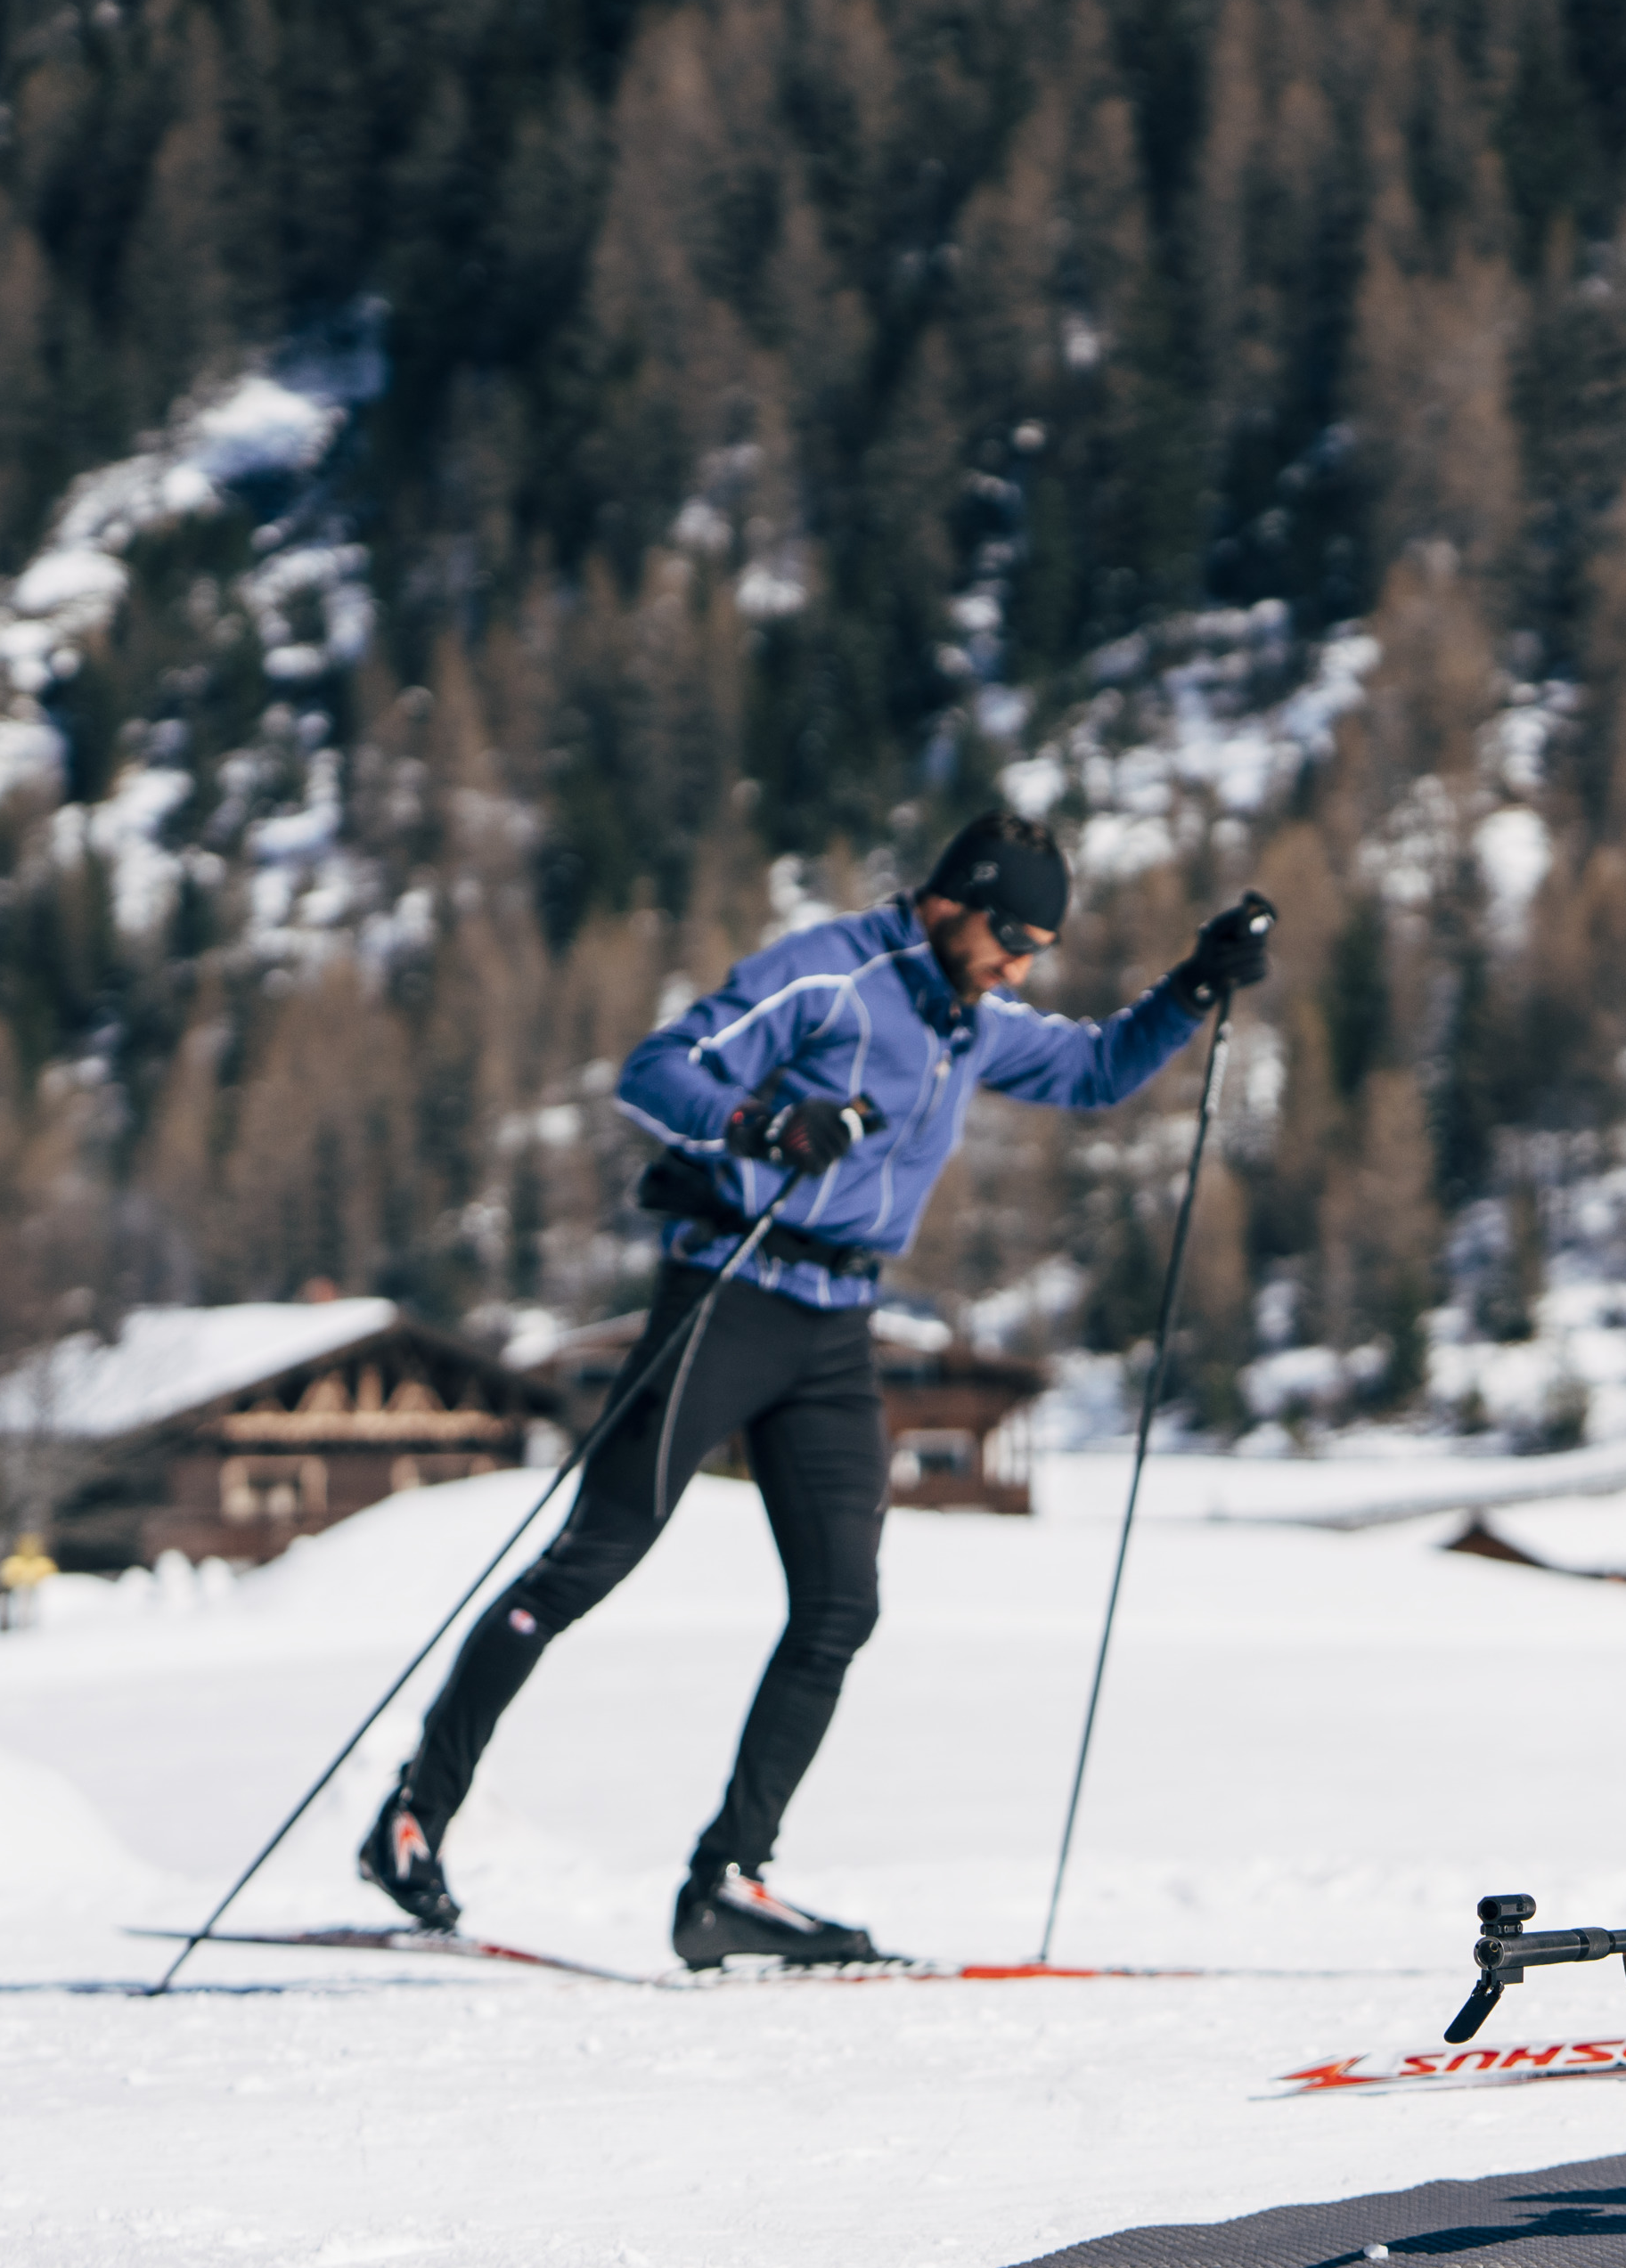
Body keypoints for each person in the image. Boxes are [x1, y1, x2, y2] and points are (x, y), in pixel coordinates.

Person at [353, 812, 1270, 1969]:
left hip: (837, 1329)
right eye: (1011, 940)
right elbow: (657, 1071)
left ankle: (728, 1881)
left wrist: (1194, 987)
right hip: (729, 1294)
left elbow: (1092, 1070)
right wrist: (763, 1122)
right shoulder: (831, 976)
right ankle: (414, 1816)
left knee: (840, 1605)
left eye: (1038, 950)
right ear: (954, 901)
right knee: (590, 1560)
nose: (1019, 969)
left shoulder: (969, 1021)